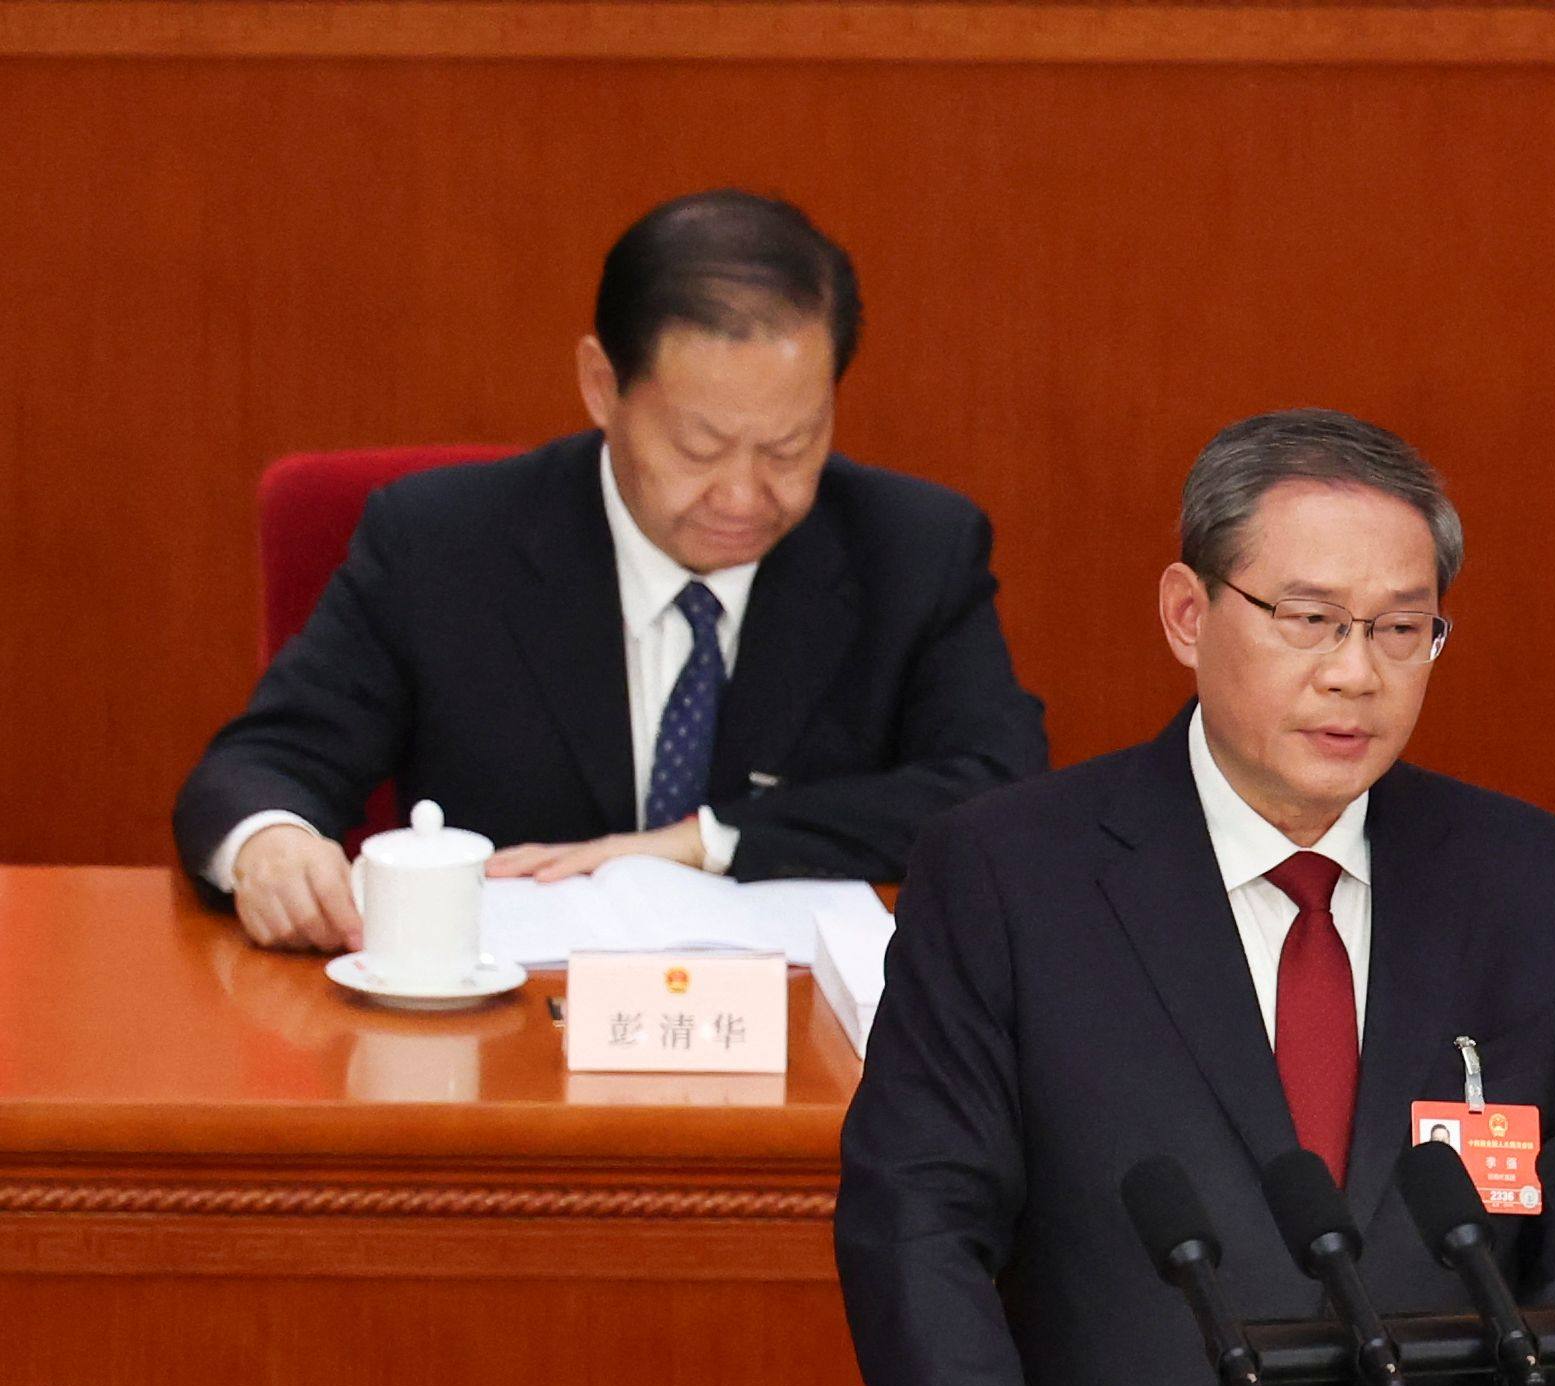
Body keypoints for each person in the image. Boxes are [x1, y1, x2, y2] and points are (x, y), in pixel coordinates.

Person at [835, 409, 1555, 1386]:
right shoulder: (1006, 875)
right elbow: (917, 1225)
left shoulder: (1529, 885)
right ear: (1188, 614)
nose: (1353, 673)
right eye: (1310, 620)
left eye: (1399, 629)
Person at [175, 189, 1048, 951]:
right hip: (496, 1060)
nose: (744, 493)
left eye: (791, 444)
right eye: (698, 445)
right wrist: (270, 843)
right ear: (601, 385)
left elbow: (1000, 791)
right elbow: (261, 766)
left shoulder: (913, 548)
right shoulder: (443, 544)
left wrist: (704, 842)